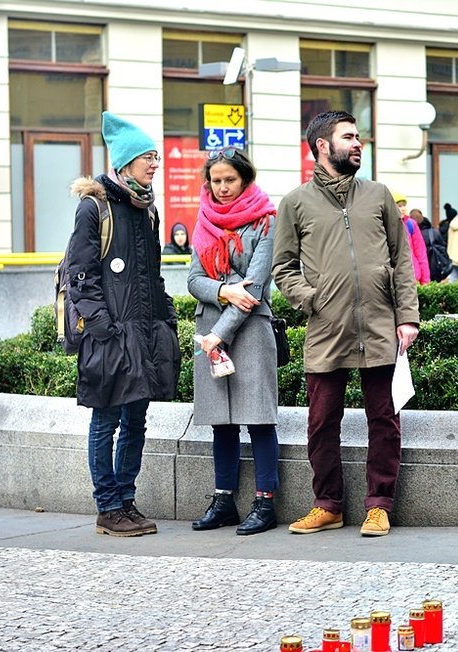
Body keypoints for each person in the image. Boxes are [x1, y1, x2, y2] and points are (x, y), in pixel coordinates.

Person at [272, 110, 420, 538]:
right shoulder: (296, 203)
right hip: (326, 329)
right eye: (349, 137)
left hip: (379, 327)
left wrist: (407, 316)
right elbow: (283, 267)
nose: (358, 144)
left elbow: (402, 260)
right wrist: (311, 299)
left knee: (384, 420)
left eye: (359, 137)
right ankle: (328, 504)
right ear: (322, 146)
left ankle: (379, 505)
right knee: (320, 423)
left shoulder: (378, 195)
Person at [68, 111, 181, 537]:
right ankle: (107, 506)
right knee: (106, 421)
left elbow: (151, 276)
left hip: (145, 333)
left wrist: (165, 320)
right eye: (148, 157)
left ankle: (127, 501)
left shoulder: (146, 211)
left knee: (136, 420)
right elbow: (80, 277)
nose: (155, 164)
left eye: (156, 157)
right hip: (111, 336)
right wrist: (104, 329)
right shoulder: (94, 208)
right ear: (126, 162)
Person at [188, 147, 281, 536]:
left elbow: (255, 288)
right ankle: (223, 500)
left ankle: (265, 502)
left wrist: (217, 335)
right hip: (211, 327)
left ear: (245, 179)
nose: (223, 188)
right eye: (216, 180)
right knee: (220, 424)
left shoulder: (267, 221)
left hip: (249, 331)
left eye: (230, 180)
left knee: (259, 419)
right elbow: (193, 280)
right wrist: (225, 289)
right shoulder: (203, 219)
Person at [393, 192, 430, 285]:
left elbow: (421, 253)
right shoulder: (387, 225)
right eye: (399, 206)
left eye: (404, 205)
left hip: (412, 277)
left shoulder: (411, 224)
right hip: (395, 277)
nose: (403, 209)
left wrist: (425, 280)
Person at [414, 209, 451, 283]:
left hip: (421, 267)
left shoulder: (416, 234)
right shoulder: (435, 232)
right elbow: (443, 247)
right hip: (436, 265)